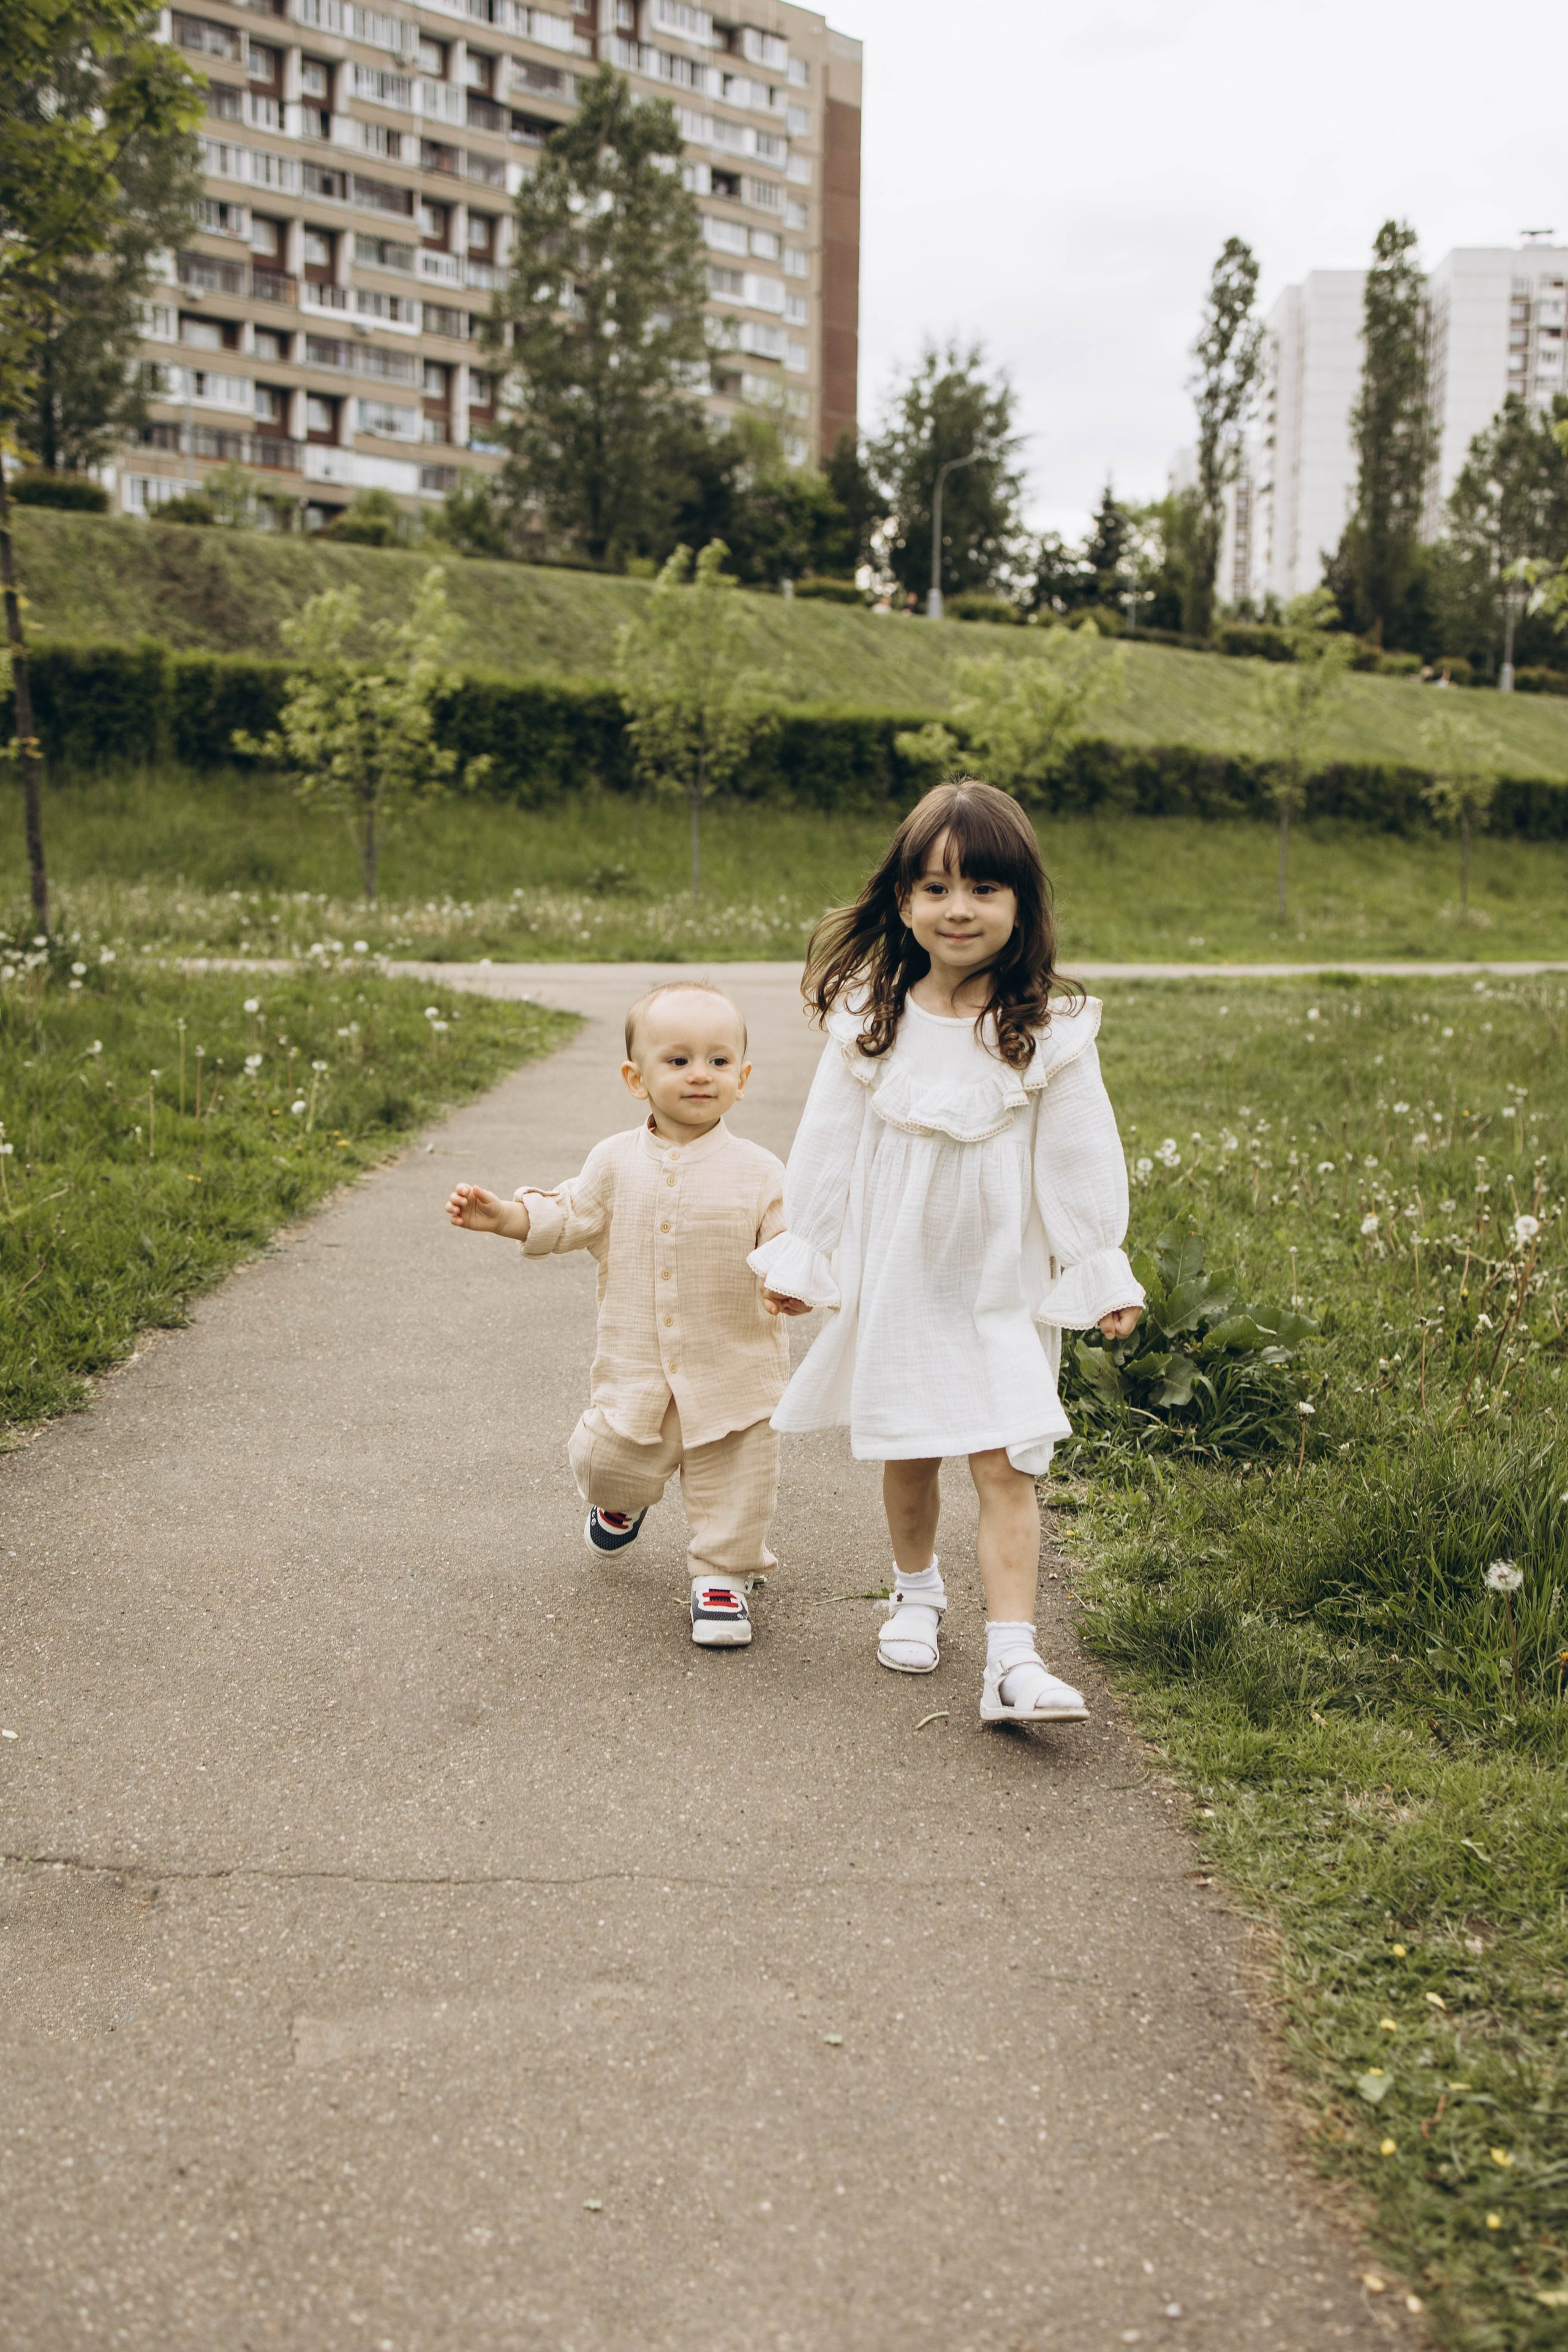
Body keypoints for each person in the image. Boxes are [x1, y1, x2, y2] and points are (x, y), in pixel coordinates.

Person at [750, 780, 1144, 1726]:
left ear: (1021, 905)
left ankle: (1014, 1658)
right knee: (914, 1447)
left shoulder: (1046, 1030)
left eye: (983, 889)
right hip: (902, 1277)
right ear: (903, 902)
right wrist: (809, 1256)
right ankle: (916, 1590)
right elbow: (830, 1146)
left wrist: (1099, 1268)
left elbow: (1081, 1150)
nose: (958, 909)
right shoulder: (872, 1020)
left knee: (1006, 1458)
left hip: (1001, 1281)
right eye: (935, 888)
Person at [447, 982, 807, 1650]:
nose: (700, 1074)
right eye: (677, 1061)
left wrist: (793, 1285)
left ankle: (722, 1576)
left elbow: (786, 1245)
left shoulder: (761, 1171)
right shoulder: (613, 1161)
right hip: (638, 1365)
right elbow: (570, 1212)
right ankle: (619, 1503)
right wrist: (504, 1218)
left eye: (719, 1061)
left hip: (735, 1367)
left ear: (743, 1078)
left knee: (738, 1482)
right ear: (635, 1079)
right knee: (608, 1460)